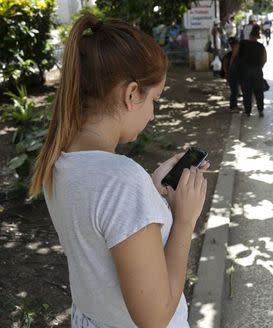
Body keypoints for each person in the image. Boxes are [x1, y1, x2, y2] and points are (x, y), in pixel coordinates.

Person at [30, 14, 208, 327]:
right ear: (131, 94)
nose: (153, 114)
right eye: (154, 99)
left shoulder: (58, 161)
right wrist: (184, 220)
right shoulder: (120, 180)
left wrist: (149, 194)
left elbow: (99, 235)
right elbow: (154, 318)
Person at [232, 24, 267, 117]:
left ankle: (248, 111)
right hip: (257, 71)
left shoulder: (242, 43)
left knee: (247, 92)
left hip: (245, 71)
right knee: (259, 91)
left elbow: (235, 54)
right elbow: (264, 59)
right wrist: (259, 67)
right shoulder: (261, 46)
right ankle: (260, 110)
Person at [222, 37, 240, 112]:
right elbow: (225, 66)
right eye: (237, 45)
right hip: (232, 75)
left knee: (235, 91)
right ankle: (232, 107)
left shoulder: (234, 55)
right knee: (234, 91)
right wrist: (227, 75)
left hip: (234, 75)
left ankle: (234, 106)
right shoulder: (229, 56)